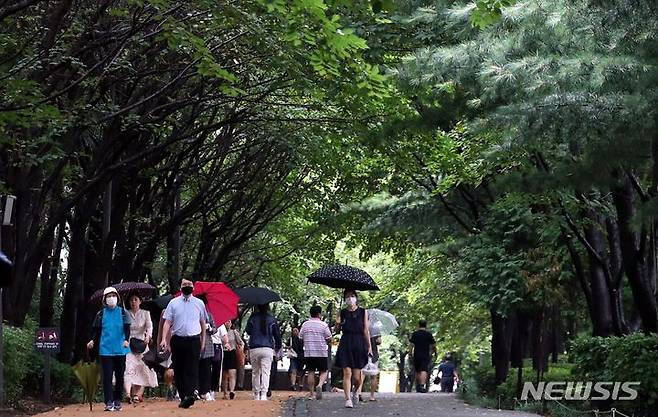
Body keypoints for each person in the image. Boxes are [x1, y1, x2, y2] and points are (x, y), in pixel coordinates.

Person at [160, 279, 207, 409]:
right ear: (180, 288)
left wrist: (202, 341)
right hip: (177, 340)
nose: (187, 287)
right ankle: (183, 396)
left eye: (189, 285)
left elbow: (203, 323)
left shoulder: (199, 303)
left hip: (193, 340)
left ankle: (190, 394)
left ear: (193, 287)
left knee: (192, 368)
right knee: (179, 369)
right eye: (184, 285)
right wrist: (164, 339)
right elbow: (167, 323)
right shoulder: (173, 303)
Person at [87, 287, 131, 412]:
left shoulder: (123, 312)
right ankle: (108, 402)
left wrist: (127, 340)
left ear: (117, 298)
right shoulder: (100, 314)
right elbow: (95, 330)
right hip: (105, 349)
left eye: (113, 295)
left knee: (119, 376)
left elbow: (127, 328)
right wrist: (92, 340)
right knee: (106, 377)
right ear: (104, 299)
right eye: (108, 296)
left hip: (121, 349)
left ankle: (118, 400)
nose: (111, 298)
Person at [335, 289, 372, 409]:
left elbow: (366, 330)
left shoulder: (363, 312)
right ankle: (347, 399)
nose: (350, 298)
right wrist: (337, 323)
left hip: (359, 343)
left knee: (357, 377)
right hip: (346, 343)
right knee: (347, 373)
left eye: (352, 296)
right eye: (347, 296)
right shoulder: (342, 312)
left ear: (356, 298)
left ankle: (356, 391)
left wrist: (369, 347)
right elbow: (336, 331)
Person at [123, 292, 158, 403]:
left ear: (140, 301)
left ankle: (137, 395)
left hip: (142, 344)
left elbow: (149, 326)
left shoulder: (145, 313)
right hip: (129, 344)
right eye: (131, 300)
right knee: (129, 368)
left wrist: (148, 336)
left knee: (142, 369)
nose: (133, 302)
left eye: (135, 299)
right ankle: (128, 393)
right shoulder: (125, 313)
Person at [245, 304, 282, 401]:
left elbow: (248, 331)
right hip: (267, 347)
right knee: (266, 372)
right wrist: (278, 347)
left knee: (255, 372)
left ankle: (256, 394)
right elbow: (277, 334)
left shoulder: (253, 318)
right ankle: (264, 394)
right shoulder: (272, 319)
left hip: (254, 347)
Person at [299, 305, 331, 400]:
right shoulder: (323, 325)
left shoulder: (305, 324)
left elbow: (300, 337)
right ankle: (320, 385)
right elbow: (329, 338)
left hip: (309, 352)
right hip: (321, 352)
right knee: (324, 371)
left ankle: (312, 393)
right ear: (319, 314)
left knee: (311, 372)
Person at [409, 319, 436, 393]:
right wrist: (434, 353)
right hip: (425, 355)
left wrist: (410, 353)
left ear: (419, 325)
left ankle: (418, 385)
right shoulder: (428, 334)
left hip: (416, 354)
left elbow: (411, 345)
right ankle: (422, 385)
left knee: (418, 370)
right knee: (424, 369)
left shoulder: (415, 334)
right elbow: (433, 345)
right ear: (426, 325)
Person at [198, 302, 218, 401]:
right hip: (195, 344)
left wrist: (209, 327)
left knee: (206, 370)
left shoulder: (209, 314)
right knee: (195, 369)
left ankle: (206, 391)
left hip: (208, 346)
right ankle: (196, 390)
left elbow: (215, 329)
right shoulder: (193, 314)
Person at [221, 319, 244, 399]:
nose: (227, 323)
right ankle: (225, 392)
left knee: (232, 373)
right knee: (224, 375)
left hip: (232, 353)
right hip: (223, 353)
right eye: (226, 321)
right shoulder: (220, 331)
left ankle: (231, 391)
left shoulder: (234, 332)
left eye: (229, 321)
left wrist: (240, 350)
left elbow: (241, 343)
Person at [357, 327, 381, 402]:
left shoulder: (361, 326)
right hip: (373, 354)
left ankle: (359, 392)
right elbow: (379, 341)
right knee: (373, 376)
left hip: (362, 352)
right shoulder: (375, 328)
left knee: (361, 373)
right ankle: (372, 396)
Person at [211, 321, 229, 400]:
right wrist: (225, 343)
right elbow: (225, 338)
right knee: (216, 369)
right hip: (217, 347)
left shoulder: (203, 320)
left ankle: (204, 390)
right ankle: (212, 390)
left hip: (206, 346)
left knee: (205, 368)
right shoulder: (220, 324)